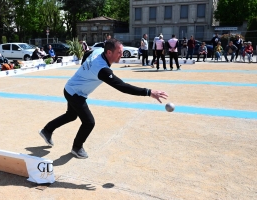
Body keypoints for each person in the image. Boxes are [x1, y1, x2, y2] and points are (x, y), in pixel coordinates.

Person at [38, 39, 168, 159]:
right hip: (75, 93)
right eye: (119, 52)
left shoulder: (99, 50)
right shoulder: (102, 70)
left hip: (70, 88)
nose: (121, 55)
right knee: (89, 122)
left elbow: (87, 53)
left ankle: (47, 130)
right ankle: (77, 147)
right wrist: (148, 92)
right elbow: (122, 86)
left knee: (71, 116)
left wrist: (83, 69)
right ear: (109, 52)